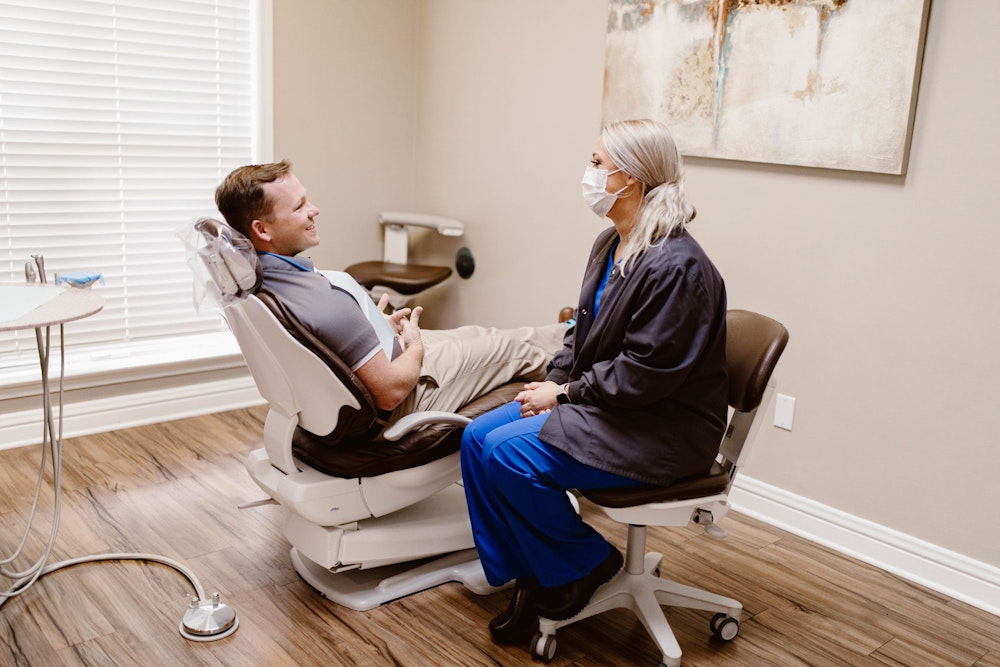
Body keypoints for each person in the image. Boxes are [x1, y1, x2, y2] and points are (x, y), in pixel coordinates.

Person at [460, 119, 728, 645]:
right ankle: (534, 576)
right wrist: (553, 380)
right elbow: (581, 336)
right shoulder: (612, 243)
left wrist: (562, 394)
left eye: (598, 163)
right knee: (475, 439)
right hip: (610, 407)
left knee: (509, 456)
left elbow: (645, 374)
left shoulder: (678, 267)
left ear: (629, 179)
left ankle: (585, 562)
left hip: (660, 430)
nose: (590, 172)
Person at [214, 160, 566, 421]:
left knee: (482, 333)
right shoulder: (319, 302)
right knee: (513, 350)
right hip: (406, 394)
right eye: (299, 206)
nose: (314, 210)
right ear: (262, 229)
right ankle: (586, 375)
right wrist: (413, 342)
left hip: (381, 362)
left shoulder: (262, 280)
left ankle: (573, 333)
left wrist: (373, 326)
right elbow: (390, 391)